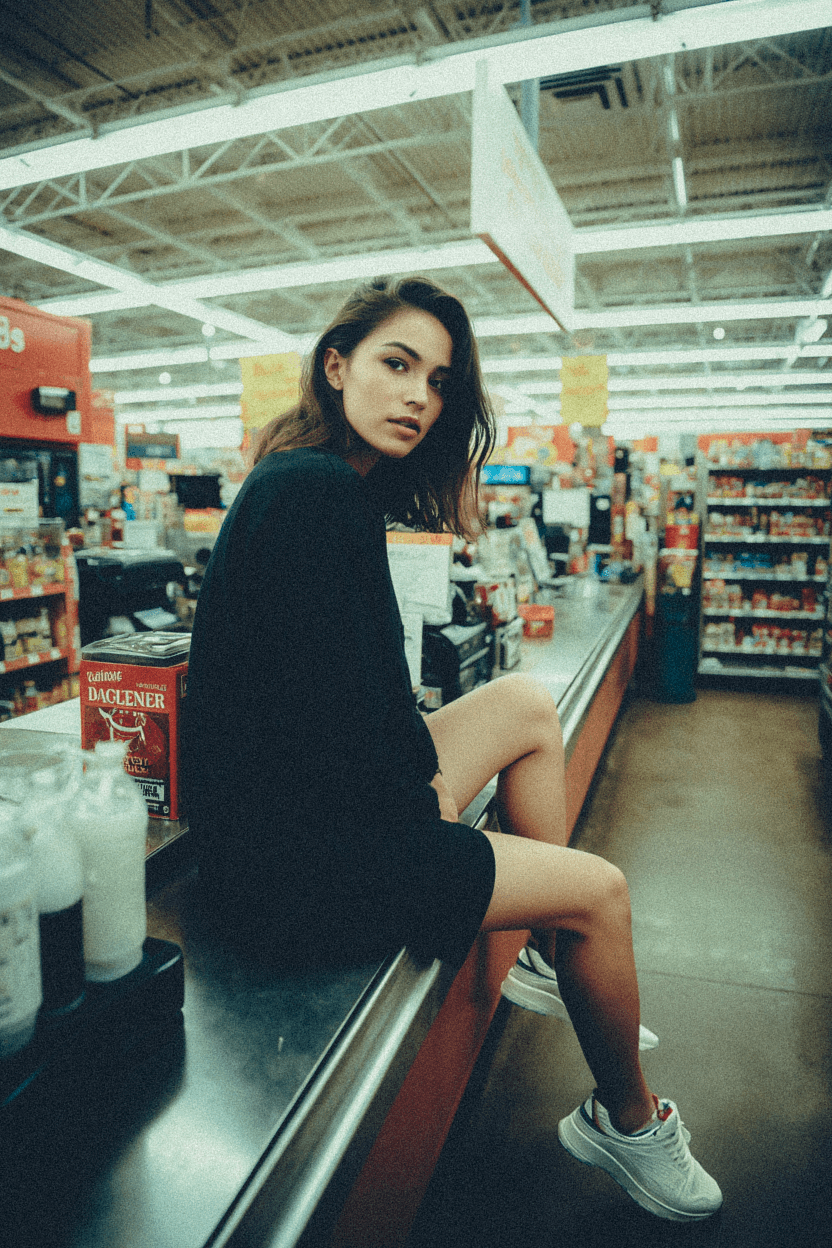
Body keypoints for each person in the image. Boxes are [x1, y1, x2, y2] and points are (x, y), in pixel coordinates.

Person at [183, 275, 722, 1222]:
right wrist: (420, 798)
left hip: (302, 811)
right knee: (601, 890)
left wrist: (408, 768)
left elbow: (335, 706)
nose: (417, 398)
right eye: (397, 364)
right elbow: (339, 726)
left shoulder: (309, 479)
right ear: (336, 363)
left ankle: (547, 957)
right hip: (305, 864)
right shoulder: (317, 494)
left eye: (437, 382)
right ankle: (625, 1120)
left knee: (523, 703)